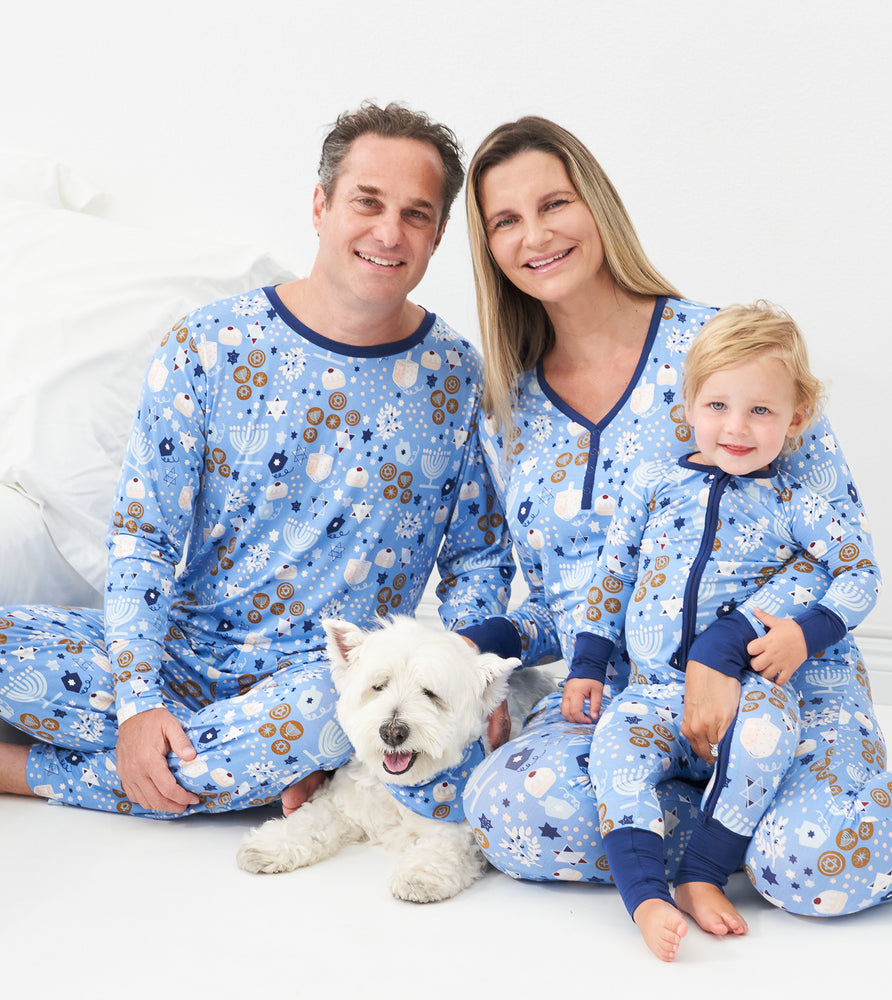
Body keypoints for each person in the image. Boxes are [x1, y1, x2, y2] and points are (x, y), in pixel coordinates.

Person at [458, 115, 892, 961]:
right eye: (505, 220)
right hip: (639, 714)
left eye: (554, 203)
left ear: (596, 206)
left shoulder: (724, 349)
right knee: (508, 808)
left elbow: (835, 545)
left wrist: (723, 646)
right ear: (487, 246)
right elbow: (563, 596)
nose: (536, 235)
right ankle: (786, 835)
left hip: (786, 692)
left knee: (810, 867)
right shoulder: (508, 403)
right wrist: (474, 663)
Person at [0, 102, 512, 819]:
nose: (389, 232)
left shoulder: (455, 377)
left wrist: (469, 681)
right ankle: (237, 774)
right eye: (367, 202)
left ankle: (23, 770)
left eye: (416, 214)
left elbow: (479, 560)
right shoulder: (208, 344)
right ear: (321, 204)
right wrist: (139, 704)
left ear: (437, 235)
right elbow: (143, 537)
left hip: (328, 685)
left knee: (329, 721)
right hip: (182, 651)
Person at [565, 301, 879, 958]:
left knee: (766, 738)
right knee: (614, 755)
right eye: (718, 407)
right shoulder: (653, 485)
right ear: (688, 405)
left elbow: (859, 572)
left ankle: (703, 873)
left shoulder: (797, 503)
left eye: (760, 411)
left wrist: (805, 634)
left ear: (795, 418)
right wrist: (588, 663)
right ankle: (647, 897)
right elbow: (613, 573)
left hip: (749, 688)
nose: (736, 428)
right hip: (652, 690)